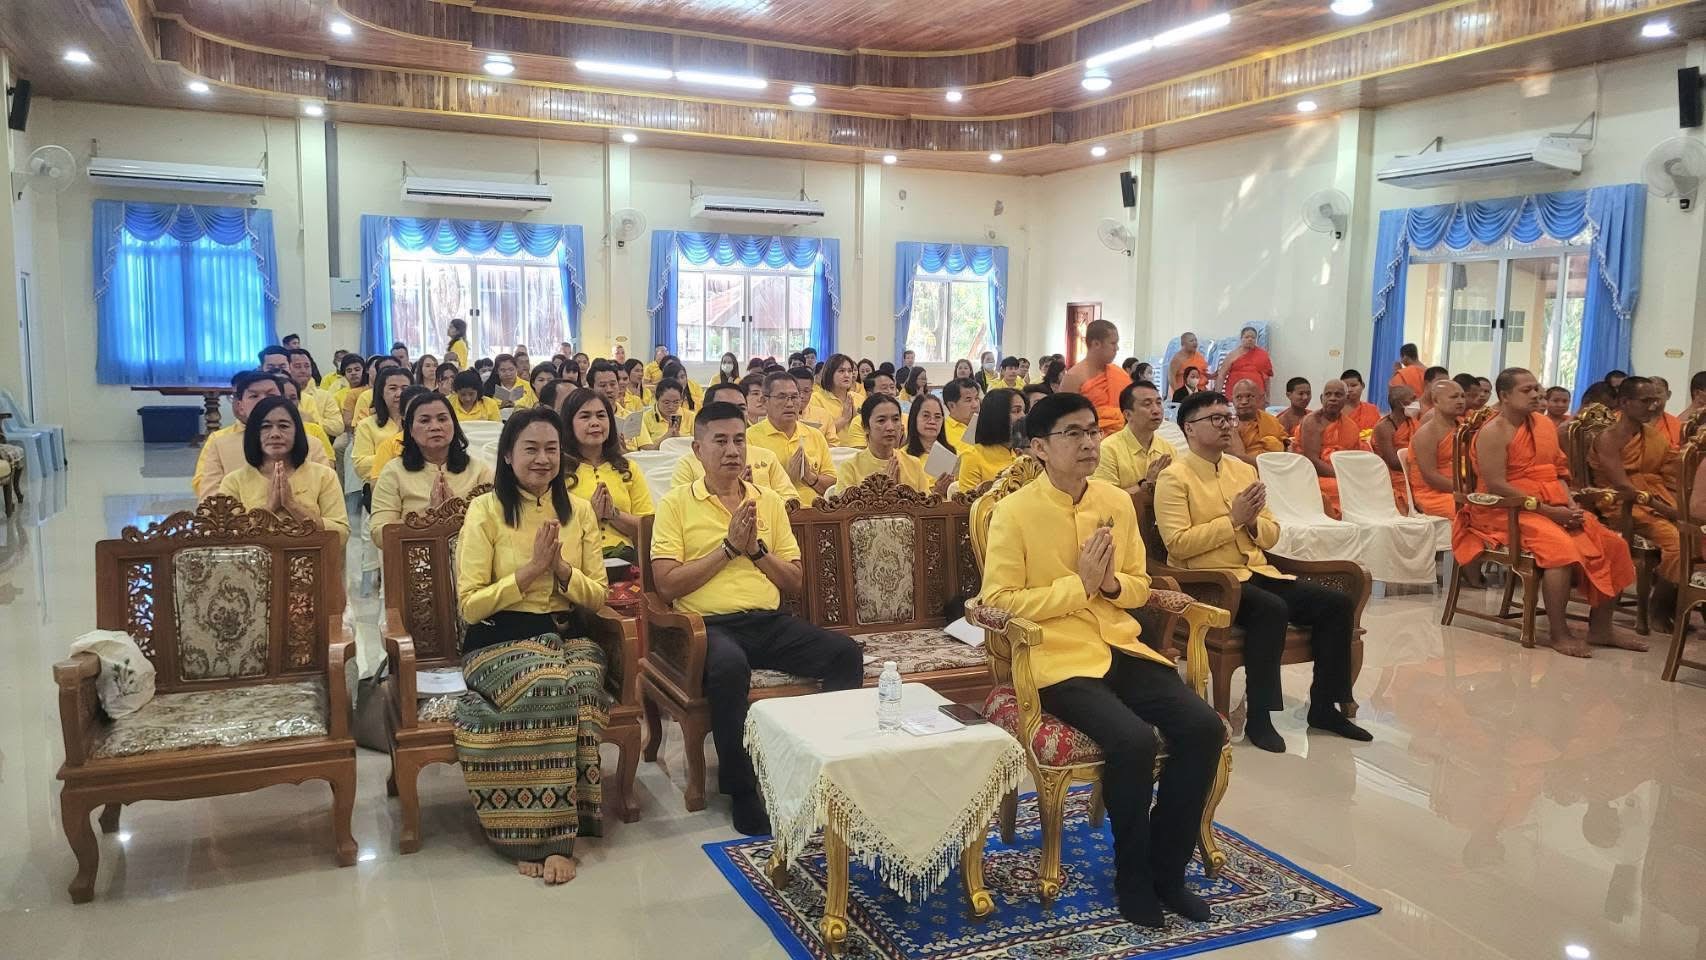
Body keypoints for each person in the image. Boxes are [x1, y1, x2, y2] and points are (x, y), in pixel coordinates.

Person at [981, 391, 1222, 927]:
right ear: (1040, 447)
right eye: (1074, 433)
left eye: (1093, 431)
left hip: (1119, 644)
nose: (1089, 442)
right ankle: (1132, 878)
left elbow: (1139, 583)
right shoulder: (1014, 513)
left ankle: (1168, 873)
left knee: (1203, 727)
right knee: (1132, 741)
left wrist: (1110, 584)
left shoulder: (1115, 501)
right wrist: (1078, 587)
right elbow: (998, 601)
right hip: (1056, 658)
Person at [649, 401, 864, 835]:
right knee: (729, 668)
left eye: (739, 440)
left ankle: (823, 767)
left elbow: (795, 581)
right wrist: (728, 549)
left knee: (845, 654)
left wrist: (755, 551)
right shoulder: (676, 504)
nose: (732, 450)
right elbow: (667, 586)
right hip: (708, 627)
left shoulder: (768, 502)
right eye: (720, 441)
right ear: (698, 449)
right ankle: (742, 790)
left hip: (768, 621)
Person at [1154, 390, 1369, 753]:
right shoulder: (1174, 477)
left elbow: (1272, 532)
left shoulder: (1243, 470)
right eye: (1216, 419)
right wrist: (1233, 520)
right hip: (1210, 582)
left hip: (1257, 571)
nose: (1227, 426)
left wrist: (1252, 523)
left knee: (1335, 604)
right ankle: (1260, 716)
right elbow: (1178, 545)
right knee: (1271, 609)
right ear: (1189, 428)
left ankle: (1324, 707)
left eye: (1228, 418)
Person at [455, 407, 610, 884]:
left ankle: (574, 819)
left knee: (584, 689)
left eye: (551, 449)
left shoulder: (579, 511)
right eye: (531, 449)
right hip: (498, 636)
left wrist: (561, 571)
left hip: (565, 633)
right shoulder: (485, 510)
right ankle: (538, 838)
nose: (543, 459)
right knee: (550, 687)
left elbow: (598, 595)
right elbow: (470, 605)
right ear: (507, 455)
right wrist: (529, 572)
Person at [1453, 368, 1638, 658]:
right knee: (1561, 551)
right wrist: (1548, 511)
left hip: (1553, 505)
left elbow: (1557, 471)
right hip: (1505, 510)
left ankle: (1602, 628)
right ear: (1505, 396)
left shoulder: (1543, 424)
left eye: (1537, 388)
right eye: (1526, 390)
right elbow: (1497, 485)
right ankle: (1559, 632)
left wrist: (1570, 504)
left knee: (1614, 544)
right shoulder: (1493, 432)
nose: (1536, 394)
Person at [1590, 376, 1681, 630]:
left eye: (1655, 400)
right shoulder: (1608, 438)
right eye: (1645, 401)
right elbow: (1623, 487)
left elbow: (1670, 473)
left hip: (1657, 498)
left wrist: (1679, 503)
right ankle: (1659, 608)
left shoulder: (1653, 436)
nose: (1653, 406)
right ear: (1624, 402)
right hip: (1623, 505)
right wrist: (1667, 510)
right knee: (1679, 542)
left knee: (1698, 535)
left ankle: (1677, 605)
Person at [217, 396, 348, 545]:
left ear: (297, 432)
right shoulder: (234, 481)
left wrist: (292, 505)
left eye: (284, 426)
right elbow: (226, 541)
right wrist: (269, 508)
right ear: (254, 433)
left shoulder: (324, 476)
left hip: (312, 558)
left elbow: (341, 535)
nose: (275, 434)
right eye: (265, 427)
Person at [370, 391, 495, 542]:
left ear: (454, 425)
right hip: (416, 553)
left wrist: (456, 514)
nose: (435, 427)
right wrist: (428, 517)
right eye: (425, 421)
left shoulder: (478, 470)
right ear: (410, 430)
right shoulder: (394, 472)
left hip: (469, 552)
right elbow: (379, 533)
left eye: (442, 419)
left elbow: (496, 524)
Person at [193, 370, 331, 498]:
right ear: (240, 406)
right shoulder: (220, 445)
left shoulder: (312, 444)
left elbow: (327, 493)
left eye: (271, 395)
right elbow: (210, 501)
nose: (263, 400)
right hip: (240, 515)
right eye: (254, 396)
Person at [561, 388, 653, 562]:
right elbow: (551, 529)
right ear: (569, 423)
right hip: (575, 562)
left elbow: (647, 528)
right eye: (585, 416)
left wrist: (614, 514)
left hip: (624, 562)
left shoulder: (628, 468)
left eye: (601, 416)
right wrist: (591, 515)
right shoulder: (558, 471)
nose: (595, 423)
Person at [670, 383, 798, 499]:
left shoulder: (767, 456)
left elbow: (790, 500)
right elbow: (683, 508)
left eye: (741, 408)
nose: (735, 414)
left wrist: (750, 494)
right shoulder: (687, 465)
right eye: (726, 408)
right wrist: (730, 492)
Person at [748, 371, 835, 506]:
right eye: (781, 397)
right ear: (764, 401)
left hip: (815, 512)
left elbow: (832, 486)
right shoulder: (749, 439)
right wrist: (785, 479)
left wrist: (810, 477)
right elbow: (749, 491)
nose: (789, 404)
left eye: (794, 397)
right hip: (775, 513)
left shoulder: (815, 435)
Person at [833, 393, 937, 495]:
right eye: (881, 421)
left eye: (895, 419)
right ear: (865, 427)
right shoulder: (850, 468)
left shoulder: (913, 464)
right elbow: (845, 506)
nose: (890, 427)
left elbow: (926, 504)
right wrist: (882, 489)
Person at [1093, 380, 1173, 495]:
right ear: (1128, 414)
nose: (1156, 410)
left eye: (1159, 403)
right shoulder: (1107, 450)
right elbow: (1105, 498)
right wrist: (1146, 483)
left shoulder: (1168, 449)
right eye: (1147, 404)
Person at [1295, 378, 1361, 518]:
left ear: (1346, 399)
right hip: (1315, 475)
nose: (1332, 398)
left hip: (1342, 474)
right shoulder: (1312, 422)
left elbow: (1353, 458)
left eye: (1338, 395)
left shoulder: (1351, 426)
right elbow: (1311, 460)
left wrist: (1352, 475)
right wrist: (1342, 475)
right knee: (1340, 488)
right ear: (1321, 398)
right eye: (1328, 394)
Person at [1059, 319, 1133, 436]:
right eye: (1113, 343)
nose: (1117, 348)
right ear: (1096, 344)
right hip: (1089, 439)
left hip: (1123, 437)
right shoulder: (1074, 377)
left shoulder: (1119, 374)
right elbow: (1066, 418)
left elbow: (1132, 408)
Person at [1407, 379, 1466, 521]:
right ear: (1436, 401)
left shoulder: (1463, 427)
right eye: (1454, 397)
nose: (1460, 401)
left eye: (1462, 396)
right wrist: (1465, 490)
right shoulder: (1427, 433)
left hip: (1460, 487)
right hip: (1432, 494)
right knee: (1471, 509)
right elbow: (1431, 477)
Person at [956, 388, 1024, 494]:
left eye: (1024, 411)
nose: (1023, 416)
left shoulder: (1021, 454)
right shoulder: (972, 457)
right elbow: (970, 502)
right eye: (1016, 411)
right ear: (997, 416)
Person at [354, 367, 411, 487]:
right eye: (393, 388)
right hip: (380, 483)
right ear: (381, 392)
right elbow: (361, 465)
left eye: (405, 389)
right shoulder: (366, 424)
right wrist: (397, 455)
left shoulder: (421, 422)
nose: (399, 394)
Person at [1371, 385, 1418, 512]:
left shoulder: (1412, 422)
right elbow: (1393, 462)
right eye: (1413, 399)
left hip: (1414, 470)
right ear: (1400, 404)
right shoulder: (1384, 427)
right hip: (1395, 476)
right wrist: (1420, 464)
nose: (1417, 402)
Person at [806, 353, 863, 447]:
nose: (847, 375)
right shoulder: (816, 399)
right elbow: (817, 435)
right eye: (841, 371)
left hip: (858, 451)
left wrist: (856, 420)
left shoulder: (859, 398)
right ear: (830, 374)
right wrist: (844, 419)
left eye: (849, 371)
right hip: (831, 451)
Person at [1227, 377, 1286, 467]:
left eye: (1249, 396)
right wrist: (1268, 464)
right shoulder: (1228, 426)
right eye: (1238, 397)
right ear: (1232, 400)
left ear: (1259, 398)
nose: (1244, 402)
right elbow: (1236, 457)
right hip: (1243, 469)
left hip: (1275, 468)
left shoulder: (1270, 420)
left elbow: (1285, 444)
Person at [905, 392, 958, 490]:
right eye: (926, 416)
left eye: (937, 417)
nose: (932, 421)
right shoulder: (903, 457)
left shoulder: (950, 454)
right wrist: (936, 492)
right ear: (914, 418)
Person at [277, 377, 334, 460]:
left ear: (299, 401)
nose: (288, 402)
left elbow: (330, 462)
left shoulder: (314, 430)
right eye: (282, 397)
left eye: (293, 398)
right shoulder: (263, 430)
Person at [1213, 326, 1274, 398]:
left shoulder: (1262, 355)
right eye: (1247, 337)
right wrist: (1217, 396)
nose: (1250, 339)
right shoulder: (1233, 355)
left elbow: (1266, 378)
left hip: (1256, 395)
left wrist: (1268, 397)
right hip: (1235, 394)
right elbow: (1221, 375)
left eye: (1253, 338)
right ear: (1241, 338)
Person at [636, 378, 695, 450]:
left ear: (681, 399)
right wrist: (667, 435)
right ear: (657, 399)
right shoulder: (644, 419)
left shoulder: (690, 416)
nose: (671, 407)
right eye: (666, 403)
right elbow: (646, 449)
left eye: (676, 402)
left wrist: (678, 439)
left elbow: (698, 445)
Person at [943, 377, 981, 447]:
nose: (975, 405)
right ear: (952, 406)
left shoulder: (984, 424)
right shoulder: (943, 433)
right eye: (968, 400)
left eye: (976, 398)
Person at [1652, 376, 1683, 447]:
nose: (1653, 396)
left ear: (1668, 395)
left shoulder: (1676, 424)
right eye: (1649, 392)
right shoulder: (1634, 421)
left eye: (1658, 392)